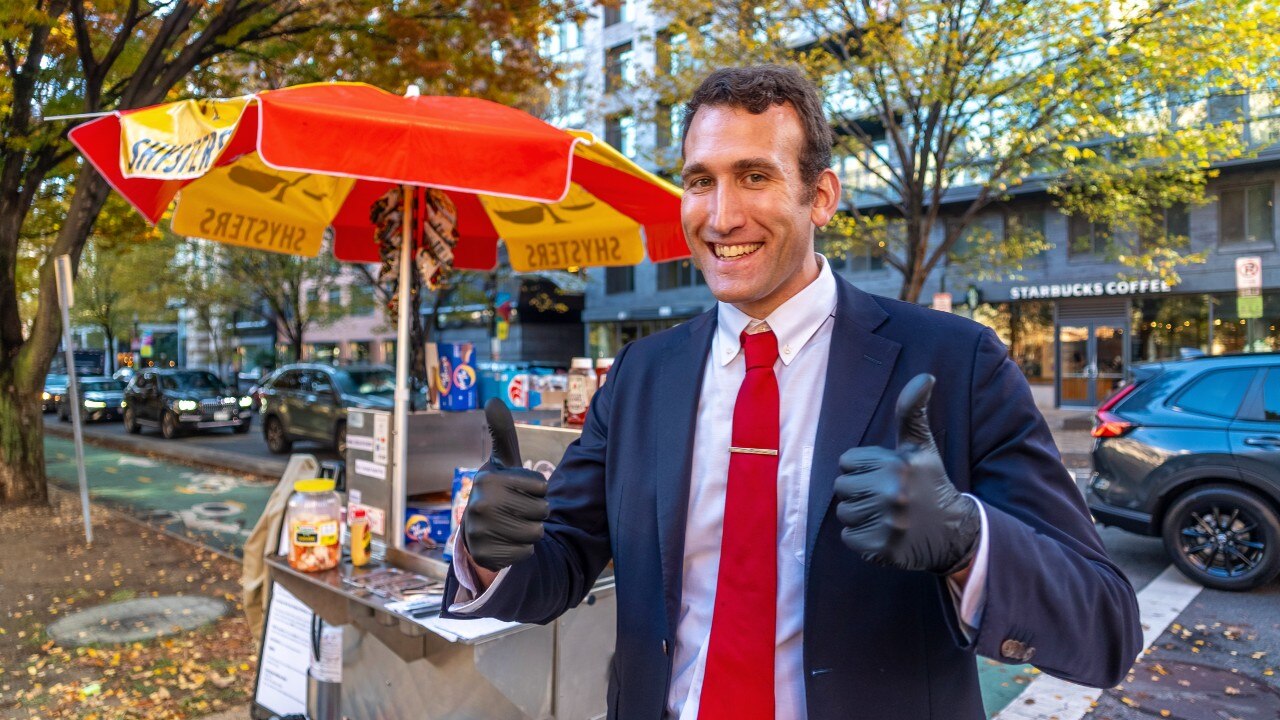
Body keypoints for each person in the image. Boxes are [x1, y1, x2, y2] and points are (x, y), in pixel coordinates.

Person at [442, 65, 1142, 720]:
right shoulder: (640, 375)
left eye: (753, 176)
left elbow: (1105, 627)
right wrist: (491, 550)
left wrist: (968, 542)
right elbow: (563, 559)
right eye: (700, 181)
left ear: (823, 196)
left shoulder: (958, 363)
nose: (720, 217)